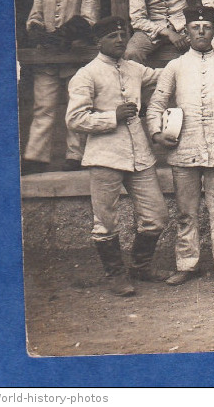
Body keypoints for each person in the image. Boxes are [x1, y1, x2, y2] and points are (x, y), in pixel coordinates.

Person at [65, 17, 170, 296]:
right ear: (99, 41)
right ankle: (115, 275)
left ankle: (140, 266)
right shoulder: (87, 74)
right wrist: (111, 117)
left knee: (156, 215)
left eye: (123, 35)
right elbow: (75, 119)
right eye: (112, 36)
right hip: (105, 156)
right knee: (105, 221)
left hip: (140, 155)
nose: (120, 40)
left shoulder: (134, 68)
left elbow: (165, 75)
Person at [145, 6, 214, 286]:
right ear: (187, 32)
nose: (201, 32)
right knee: (186, 212)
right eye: (195, 27)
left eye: (206, 27)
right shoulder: (175, 67)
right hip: (184, 149)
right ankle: (186, 264)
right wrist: (156, 133)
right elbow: (156, 104)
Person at [22, 0, 100, 174]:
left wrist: (64, 36)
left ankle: (75, 155)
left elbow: (90, 19)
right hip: (47, 58)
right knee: (43, 107)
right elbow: (34, 18)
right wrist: (39, 32)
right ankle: (36, 157)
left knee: (76, 106)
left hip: (74, 58)